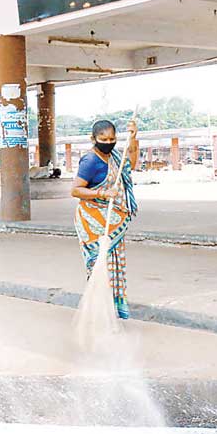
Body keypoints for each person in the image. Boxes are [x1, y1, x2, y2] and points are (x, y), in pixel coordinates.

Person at [70, 119, 139, 319]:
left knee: (114, 266)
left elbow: (130, 164)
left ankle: (113, 310)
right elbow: (75, 190)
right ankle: (97, 310)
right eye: (103, 139)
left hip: (112, 220)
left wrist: (133, 139)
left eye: (112, 138)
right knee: (100, 266)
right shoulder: (90, 161)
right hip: (93, 221)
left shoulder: (114, 156)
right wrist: (103, 192)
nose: (108, 142)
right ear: (94, 139)